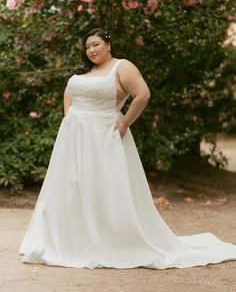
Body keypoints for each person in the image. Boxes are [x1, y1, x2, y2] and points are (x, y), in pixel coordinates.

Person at [19, 28, 236, 269]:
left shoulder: (122, 66)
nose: (90, 50)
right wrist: (70, 118)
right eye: (87, 46)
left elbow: (142, 94)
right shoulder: (84, 72)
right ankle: (66, 238)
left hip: (104, 135)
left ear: (108, 45)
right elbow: (70, 92)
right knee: (70, 185)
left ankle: (108, 239)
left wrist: (124, 123)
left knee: (102, 185)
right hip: (73, 137)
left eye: (95, 44)